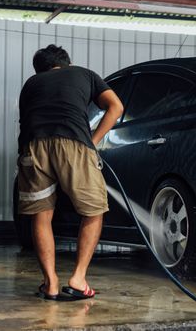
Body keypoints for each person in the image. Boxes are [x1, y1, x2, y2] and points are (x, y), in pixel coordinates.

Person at [17, 44, 123, 301]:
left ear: (40, 68)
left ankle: (50, 283)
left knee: (41, 217)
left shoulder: (31, 83)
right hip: (73, 143)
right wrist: (93, 141)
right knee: (94, 211)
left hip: (33, 147)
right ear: (66, 63)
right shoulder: (83, 74)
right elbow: (116, 107)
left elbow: (25, 123)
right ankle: (78, 279)